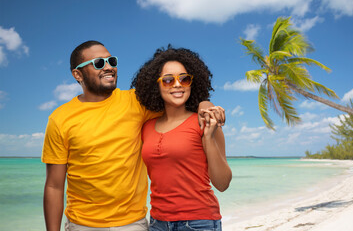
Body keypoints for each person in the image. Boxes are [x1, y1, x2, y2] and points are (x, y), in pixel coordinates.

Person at [42, 41, 225, 231]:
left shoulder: (136, 102)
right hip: (81, 224)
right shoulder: (60, 119)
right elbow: (54, 186)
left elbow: (176, 97)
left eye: (111, 61)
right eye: (98, 63)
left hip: (133, 224)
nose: (108, 67)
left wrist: (205, 104)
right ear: (77, 74)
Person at [132, 46, 232, 231]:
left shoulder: (205, 121)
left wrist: (209, 137)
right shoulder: (146, 127)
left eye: (184, 79)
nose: (177, 84)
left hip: (199, 222)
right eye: (168, 80)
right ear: (157, 85)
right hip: (157, 223)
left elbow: (222, 183)